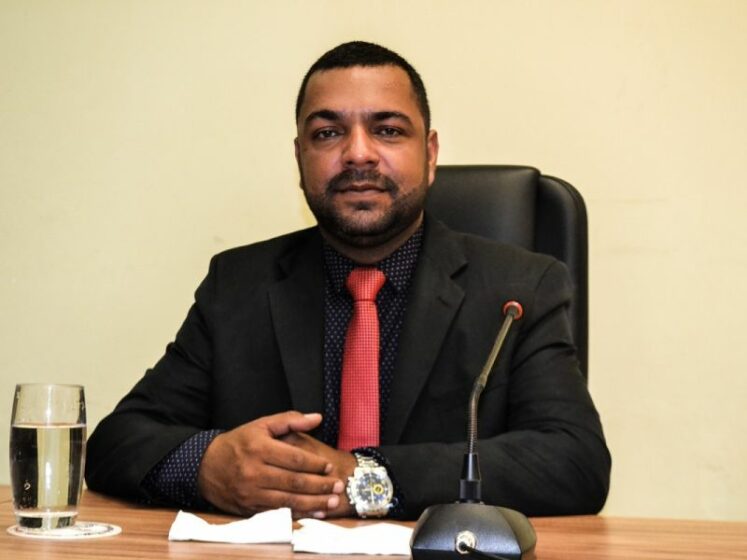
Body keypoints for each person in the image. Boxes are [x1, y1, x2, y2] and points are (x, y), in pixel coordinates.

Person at [85, 41, 610, 520]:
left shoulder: (519, 288)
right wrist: (208, 465)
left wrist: (366, 476)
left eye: (388, 130)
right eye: (328, 133)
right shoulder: (239, 285)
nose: (358, 153)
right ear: (300, 159)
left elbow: (574, 461)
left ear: (429, 155)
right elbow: (118, 441)